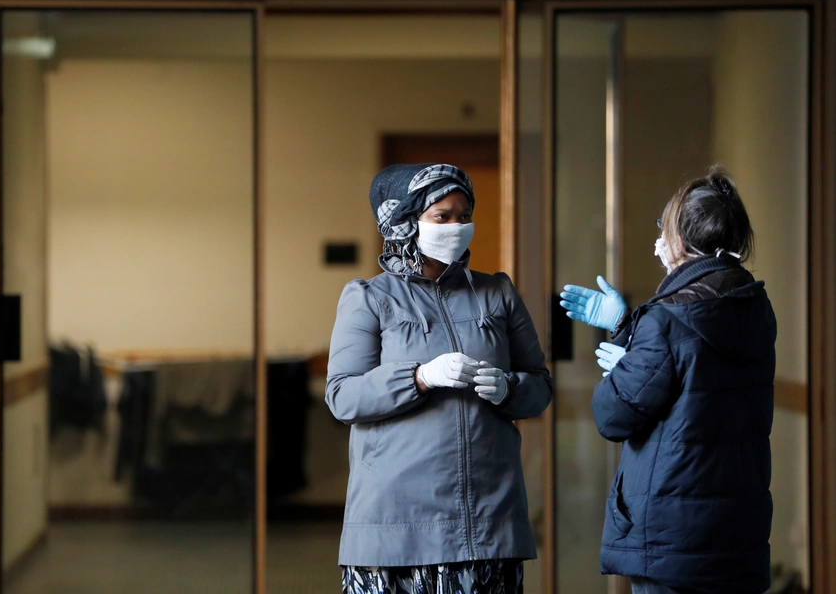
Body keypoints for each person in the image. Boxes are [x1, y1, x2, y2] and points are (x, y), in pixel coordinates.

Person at [326, 163, 554, 594]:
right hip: (397, 527)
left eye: (464, 215)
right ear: (405, 222)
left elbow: (539, 387)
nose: (457, 226)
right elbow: (342, 396)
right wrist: (419, 377)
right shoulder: (369, 298)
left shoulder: (497, 292)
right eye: (442, 216)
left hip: (490, 523)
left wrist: (510, 389)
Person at [559, 166, 776, 594]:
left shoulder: (668, 318)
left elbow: (613, 414)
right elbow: (692, 380)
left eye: (664, 226)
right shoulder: (753, 306)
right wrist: (626, 324)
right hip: (737, 534)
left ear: (680, 240)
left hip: (673, 541)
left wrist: (629, 351)